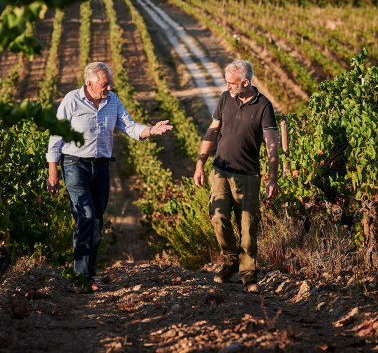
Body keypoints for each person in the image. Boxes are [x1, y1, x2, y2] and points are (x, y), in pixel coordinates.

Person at [46, 62, 173, 291]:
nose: (109, 87)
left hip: (101, 168)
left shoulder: (112, 100)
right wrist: (52, 171)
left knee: (95, 222)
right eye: (105, 84)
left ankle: (86, 274)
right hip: (74, 165)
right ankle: (81, 279)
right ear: (90, 84)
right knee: (85, 216)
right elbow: (56, 137)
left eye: (109, 83)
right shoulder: (71, 100)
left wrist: (151, 130)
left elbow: (130, 126)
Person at [193, 60, 280, 293]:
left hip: (248, 175)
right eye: (226, 82)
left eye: (231, 83)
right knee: (218, 216)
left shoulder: (264, 106)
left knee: (248, 225)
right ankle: (230, 262)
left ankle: (249, 274)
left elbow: (272, 144)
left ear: (246, 82)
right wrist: (201, 163)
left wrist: (273, 177)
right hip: (220, 169)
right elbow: (213, 130)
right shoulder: (225, 98)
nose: (227, 86)